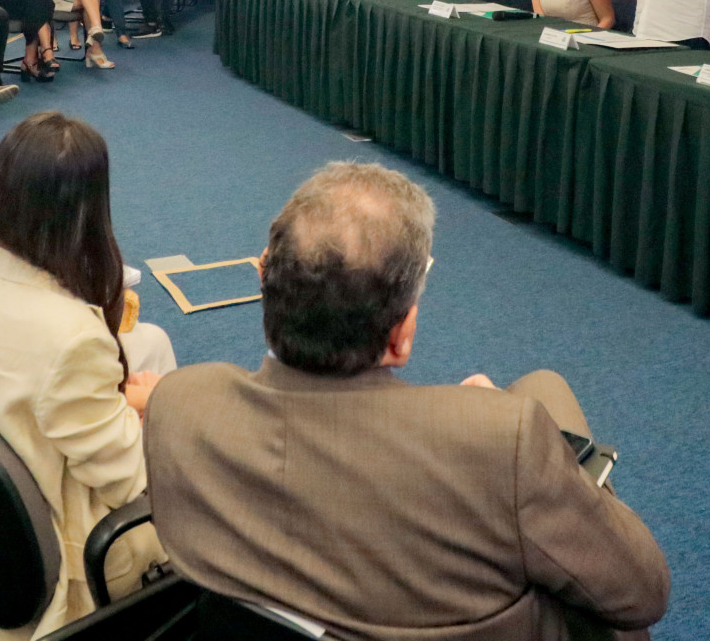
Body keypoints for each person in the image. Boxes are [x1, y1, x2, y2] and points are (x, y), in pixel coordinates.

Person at [146, 161, 671, 640]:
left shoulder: (179, 404)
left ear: (266, 284)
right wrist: (509, 435)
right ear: (401, 337)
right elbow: (644, 594)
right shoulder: (497, 440)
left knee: (543, 386)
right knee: (547, 402)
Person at [0, 111, 175, 636]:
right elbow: (134, 482)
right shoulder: (71, 338)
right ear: (87, 210)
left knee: (148, 348)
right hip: (79, 552)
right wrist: (154, 413)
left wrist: (113, 407)